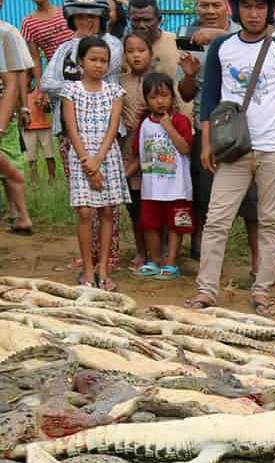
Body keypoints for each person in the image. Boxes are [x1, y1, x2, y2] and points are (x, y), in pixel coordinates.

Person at [188, 0, 275, 317]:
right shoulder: (222, 47)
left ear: (270, 10)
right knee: (217, 220)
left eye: (259, 7)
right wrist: (206, 142)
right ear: (236, 9)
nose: (253, 13)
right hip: (233, 147)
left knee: (270, 221)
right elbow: (209, 98)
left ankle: (262, 289)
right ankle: (206, 289)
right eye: (247, 6)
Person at [43, 0, 123, 269]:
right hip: (72, 133)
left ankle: (108, 257)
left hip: (105, 137)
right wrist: (77, 84)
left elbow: (106, 72)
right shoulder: (65, 47)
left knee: (107, 203)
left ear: (101, 18)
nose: (85, 21)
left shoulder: (112, 44)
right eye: (79, 16)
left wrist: (73, 79)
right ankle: (89, 256)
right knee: (84, 203)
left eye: (91, 16)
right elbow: (46, 83)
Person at [179, 0, 257, 263]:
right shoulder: (189, 36)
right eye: (204, 5)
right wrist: (189, 76)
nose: (210, 11)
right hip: (207, 129)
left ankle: (257, 263)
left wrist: (218, 36)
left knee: (252, 200)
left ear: (227, 8)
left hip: (245, 127)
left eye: (216, 5)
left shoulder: (245, 30)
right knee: (205, 197)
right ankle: (204, 259)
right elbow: (186, 94)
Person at [63, 35, 127, 291]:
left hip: (107, 155)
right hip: (81, 156)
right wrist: (87, 162)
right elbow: (72, 129)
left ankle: (103, 269)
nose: (99, 65)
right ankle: (88, 269)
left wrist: (98, 159)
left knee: (107, 211)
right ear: (81, 61)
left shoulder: (114, 91)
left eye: (104, 61)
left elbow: (113, 127)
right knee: (85, 212)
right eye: (93, 59)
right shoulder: (70, 90)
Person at [129, 71, 191, 280]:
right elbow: (139, 154)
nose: (160, 101)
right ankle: (155, 261)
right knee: (150, 224)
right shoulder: (144, 124)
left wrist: (169, 127)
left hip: (177, 188)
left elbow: (185, 148)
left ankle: (171, 263)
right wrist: (124, 175)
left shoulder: (180, 121)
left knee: (176, 225)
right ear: (146, 100)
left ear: (173, 97)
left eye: (164, 95)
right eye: (154, 97)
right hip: (151, 189)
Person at [119, 32, 153, 270]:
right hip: (128, 152)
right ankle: (142, 251)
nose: (136, 56)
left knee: (155, 205)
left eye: (141, 50)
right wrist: (123, 123)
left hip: (155, 155)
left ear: (151, 53)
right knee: (135, 207)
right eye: (130, 52)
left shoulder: (158, 80)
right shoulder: (119, 83)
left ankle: (158, 251)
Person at [0, 7, 34, 236]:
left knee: (10, 164)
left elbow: (18, 74)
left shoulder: (8, 33)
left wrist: (23, 106)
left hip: (5, 114)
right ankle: (17, 215)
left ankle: (21, 216)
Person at [21, 0, 75, 91]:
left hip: (80, 65)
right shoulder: (28, 23)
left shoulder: (66, 12)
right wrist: (40, 87)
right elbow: (35, 58)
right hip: (57, 75)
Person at [126, 0, 178, 82]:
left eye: (147, 20)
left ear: (159, 20)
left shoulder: (176, 42)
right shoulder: (122, 48)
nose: (141, 25)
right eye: (136, 20)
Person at [20, 87, 56, 185]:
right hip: (28, 128)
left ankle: (52, 179)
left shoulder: (40, 88)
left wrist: (44, 105)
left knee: (49, 155)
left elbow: (48, 109)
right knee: (31, 158)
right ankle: (34, 181)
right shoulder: (20, 90)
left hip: (44, 126)